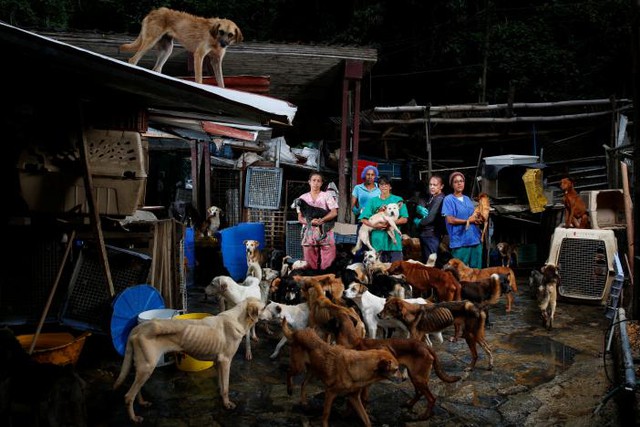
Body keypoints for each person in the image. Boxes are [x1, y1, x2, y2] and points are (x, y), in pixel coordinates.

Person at [359, 175, 408, 263]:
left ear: (390, 186)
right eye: (381, 184)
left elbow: (404, 218)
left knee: (395, 271)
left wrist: (390, 223)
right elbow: (363, 219)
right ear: (378, 186)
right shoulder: (373, 201)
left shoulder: (398, 200)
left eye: (386, 184)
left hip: (394, 245)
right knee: (379, 272)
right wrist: (375, 225)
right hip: (377, 244)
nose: (384, 186)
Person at [296, 172, 339, 270]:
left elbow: (334, 212)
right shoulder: (302, 198)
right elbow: (300, 218)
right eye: (313, 180)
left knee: (328, 260)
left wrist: (322, 220)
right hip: (309, 232)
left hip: (325, 230)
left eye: (318, 181)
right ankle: (312, 279)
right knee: (309, 261)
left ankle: (326, 279)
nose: (316, 183)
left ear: (321, 183)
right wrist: (310, 222)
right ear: (309, 182)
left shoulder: (326, 195)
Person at [441, 171, 483, 268]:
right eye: (456, 182)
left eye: (461, 181)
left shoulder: (467, 199)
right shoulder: (448, 199)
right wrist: (468, 221)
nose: (459, 183)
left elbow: (473, 216)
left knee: (476, 272)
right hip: (460, 242)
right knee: (459, 272)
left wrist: (477, 220)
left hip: (474, 240)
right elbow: (450, 220)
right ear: (452, 185)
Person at [413, 174, 446, 263]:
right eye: (430, 184)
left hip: (432, 235)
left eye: (435, 185)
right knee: (426, 261)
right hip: (426, 234)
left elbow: (430, 218)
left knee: (431, 262)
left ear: (441, 186)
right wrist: (419, 209)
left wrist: (419, 222)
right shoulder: (432, 197)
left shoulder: (440, 198)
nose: (432, 187)